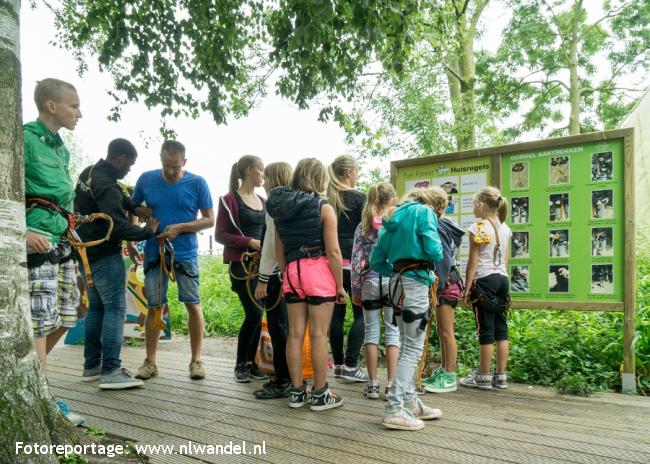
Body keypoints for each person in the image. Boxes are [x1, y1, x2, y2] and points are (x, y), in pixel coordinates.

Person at [75, 138, 158, 389]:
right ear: (120, 158)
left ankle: (92, 366)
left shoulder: (89, 173)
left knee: (97, 309)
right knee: (114, 309)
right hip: (104, 253)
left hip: (85, 253)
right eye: (129, 165)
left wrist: (134, 206)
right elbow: (117, 225)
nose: (128, 170)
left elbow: (117, 195)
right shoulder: (107, 184)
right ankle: (111, 369)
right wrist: (147, 231)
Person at [24, 78, 84, 424]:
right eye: (73, 106)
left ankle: (39, 385)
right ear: (51, 105)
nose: (79, 113)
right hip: (38, 240)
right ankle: (42, 401)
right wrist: (24, 229)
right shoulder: (24, 139)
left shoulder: (61, 148)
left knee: (68, 314)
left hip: (62, 242)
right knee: (40, 322)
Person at [267, 158, 346, 411]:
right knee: (319, 334)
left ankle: (297, 391)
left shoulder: (280, 210)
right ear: (320, 178)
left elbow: (278, 249)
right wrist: (340, 286)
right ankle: (321, 394)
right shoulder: (324, 207)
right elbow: (334, 252)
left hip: (292, 271)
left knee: (294, 334)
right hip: (318, 270)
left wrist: (286, 273)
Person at [132, 140, 214, 380]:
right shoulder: (146, 179)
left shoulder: (197, 183)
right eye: (166, 165)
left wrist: (180, 227)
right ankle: (150, 362)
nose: (170, 171)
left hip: (185, 253)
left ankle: (196, 361)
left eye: (175, 167)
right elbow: (134, 208)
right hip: (153, 251)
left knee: (193, 304)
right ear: (160, 158)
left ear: (184, 162)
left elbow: (209, 220)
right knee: (154, 306)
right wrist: (133, 234)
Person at [371, 187, 445, 431]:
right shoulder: (424, 213)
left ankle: (411, 402)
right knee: (413, 347)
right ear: (434, 204)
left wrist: (396, 271)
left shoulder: (391, 218)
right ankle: (393, 407)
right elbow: (435, 250)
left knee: (406, 344)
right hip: (415, 282)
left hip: (396, 283)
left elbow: (376, 262)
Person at [215, 155, 268, 383]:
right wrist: (249, 242)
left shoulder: (264, 201)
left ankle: (253, 363)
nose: (263, 176)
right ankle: (241, 364)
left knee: (258, 314)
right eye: (261, 171)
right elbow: (220, 235)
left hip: (264, 266)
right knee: (254, 313)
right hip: (242, 266)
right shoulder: (230, 200)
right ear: (249, 171)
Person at [350, 183, 399, 400]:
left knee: (371, 332)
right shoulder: (395, 224)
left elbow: (356, 259)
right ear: (391, 200)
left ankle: (372, 384)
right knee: (393, 332)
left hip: (370, 281)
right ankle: (391, 384)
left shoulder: (363, 226)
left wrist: (355, 288)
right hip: (392, 281)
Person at [461, 186, 512, 391]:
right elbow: (506, 259)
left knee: (485, 328)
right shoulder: (504, 228)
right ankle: (500, 376)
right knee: (501, 328)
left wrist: (466, 288)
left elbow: (473, 262)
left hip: (484, 280)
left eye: (474, 204)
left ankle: (482, 376)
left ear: (481, 205)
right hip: (502, 279)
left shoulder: (479, 227)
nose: (474, 208)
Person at [253, 162, 293, 399]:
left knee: (279, 328)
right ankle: (293, 377)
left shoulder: (274, 206)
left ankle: (282, 380)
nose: (264, 182)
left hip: (277, 275)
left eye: (267, 177)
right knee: (292, 329)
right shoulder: (298, 202)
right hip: (298, 272)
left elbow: (270, 246)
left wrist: (263, 278)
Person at [327, 155, 368, 382]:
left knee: (336, 316)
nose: (357, 175)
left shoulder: (327, 200)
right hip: (355, 264)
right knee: (360, 314)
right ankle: (352, 366)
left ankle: (340, 365)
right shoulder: (360, 198)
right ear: (348, 173)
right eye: (357, 171)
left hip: (331, 264)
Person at [421, 204, 465, 394]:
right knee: (442, 330)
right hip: (448, 283)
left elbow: (443, 260)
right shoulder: (448, 227)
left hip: (446, 285)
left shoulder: (439, 227)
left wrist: (436, 288)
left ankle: (449, 375)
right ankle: (444, 371)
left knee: (447, 331)